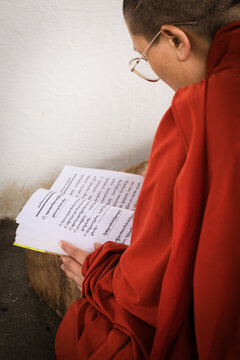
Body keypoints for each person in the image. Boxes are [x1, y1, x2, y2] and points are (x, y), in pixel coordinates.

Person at [55, 0, 240, 358]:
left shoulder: (199, 110)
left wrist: (97, 273)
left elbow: (148, 291)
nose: (149, 70)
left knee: (85, 334)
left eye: (144, 56)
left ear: (175, 40)